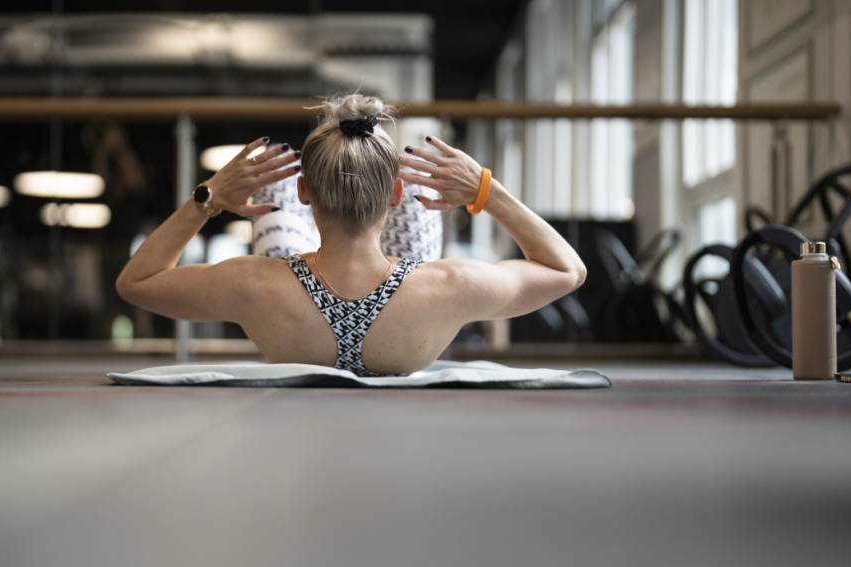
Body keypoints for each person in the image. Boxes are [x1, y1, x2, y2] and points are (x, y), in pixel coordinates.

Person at [116, 94, 586, 376]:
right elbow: (567, 269)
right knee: (420, 186)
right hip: (410, 305)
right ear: (396, 193)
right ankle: (382, 178)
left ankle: (326, 175)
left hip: (290, 302)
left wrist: (209, 197)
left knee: (273, 177)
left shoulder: (252, 283)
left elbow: (135, 282)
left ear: (304, 192)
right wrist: (485, 190)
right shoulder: (449, 285)